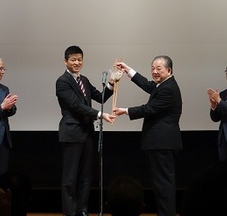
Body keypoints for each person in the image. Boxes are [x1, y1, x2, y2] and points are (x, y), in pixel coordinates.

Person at [113, 56, 182, 216]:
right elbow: (147, 84)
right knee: (161, 183)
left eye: (159, 68)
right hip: (159, 142)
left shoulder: (168, 88)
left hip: (162, 142)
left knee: (164, 183)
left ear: (169, 70)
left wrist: (126, 111)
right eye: (152, 68)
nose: (154, 71)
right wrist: (127, 69)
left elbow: (149, 109)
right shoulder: (163, 85)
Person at [56, 45, 117, 216]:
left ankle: (82, 210)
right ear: (65, 61)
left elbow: (101, 97)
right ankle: (70, 212)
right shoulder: (62, 81)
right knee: (70, 179)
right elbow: (76, 106)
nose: (77, 62)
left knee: (85, 177)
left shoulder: (84, 80)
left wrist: (112, 83)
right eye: (73, 59)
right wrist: (100, 114)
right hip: (71, 134)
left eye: (80, 59)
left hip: (87, 134)